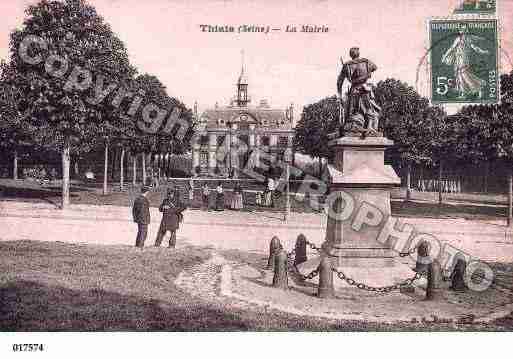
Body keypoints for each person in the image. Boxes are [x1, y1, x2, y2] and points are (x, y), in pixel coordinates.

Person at [337, 47, 381, 136]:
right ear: (358, 54)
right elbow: (375, 67)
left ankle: (360, 128)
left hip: (355, 90)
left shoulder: (347, 65)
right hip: (366, 89)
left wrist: (340, 94)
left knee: (353, 112)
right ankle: (368, 127)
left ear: (350, 55)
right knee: (368, 108)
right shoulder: (366, 62)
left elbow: (339, 82)